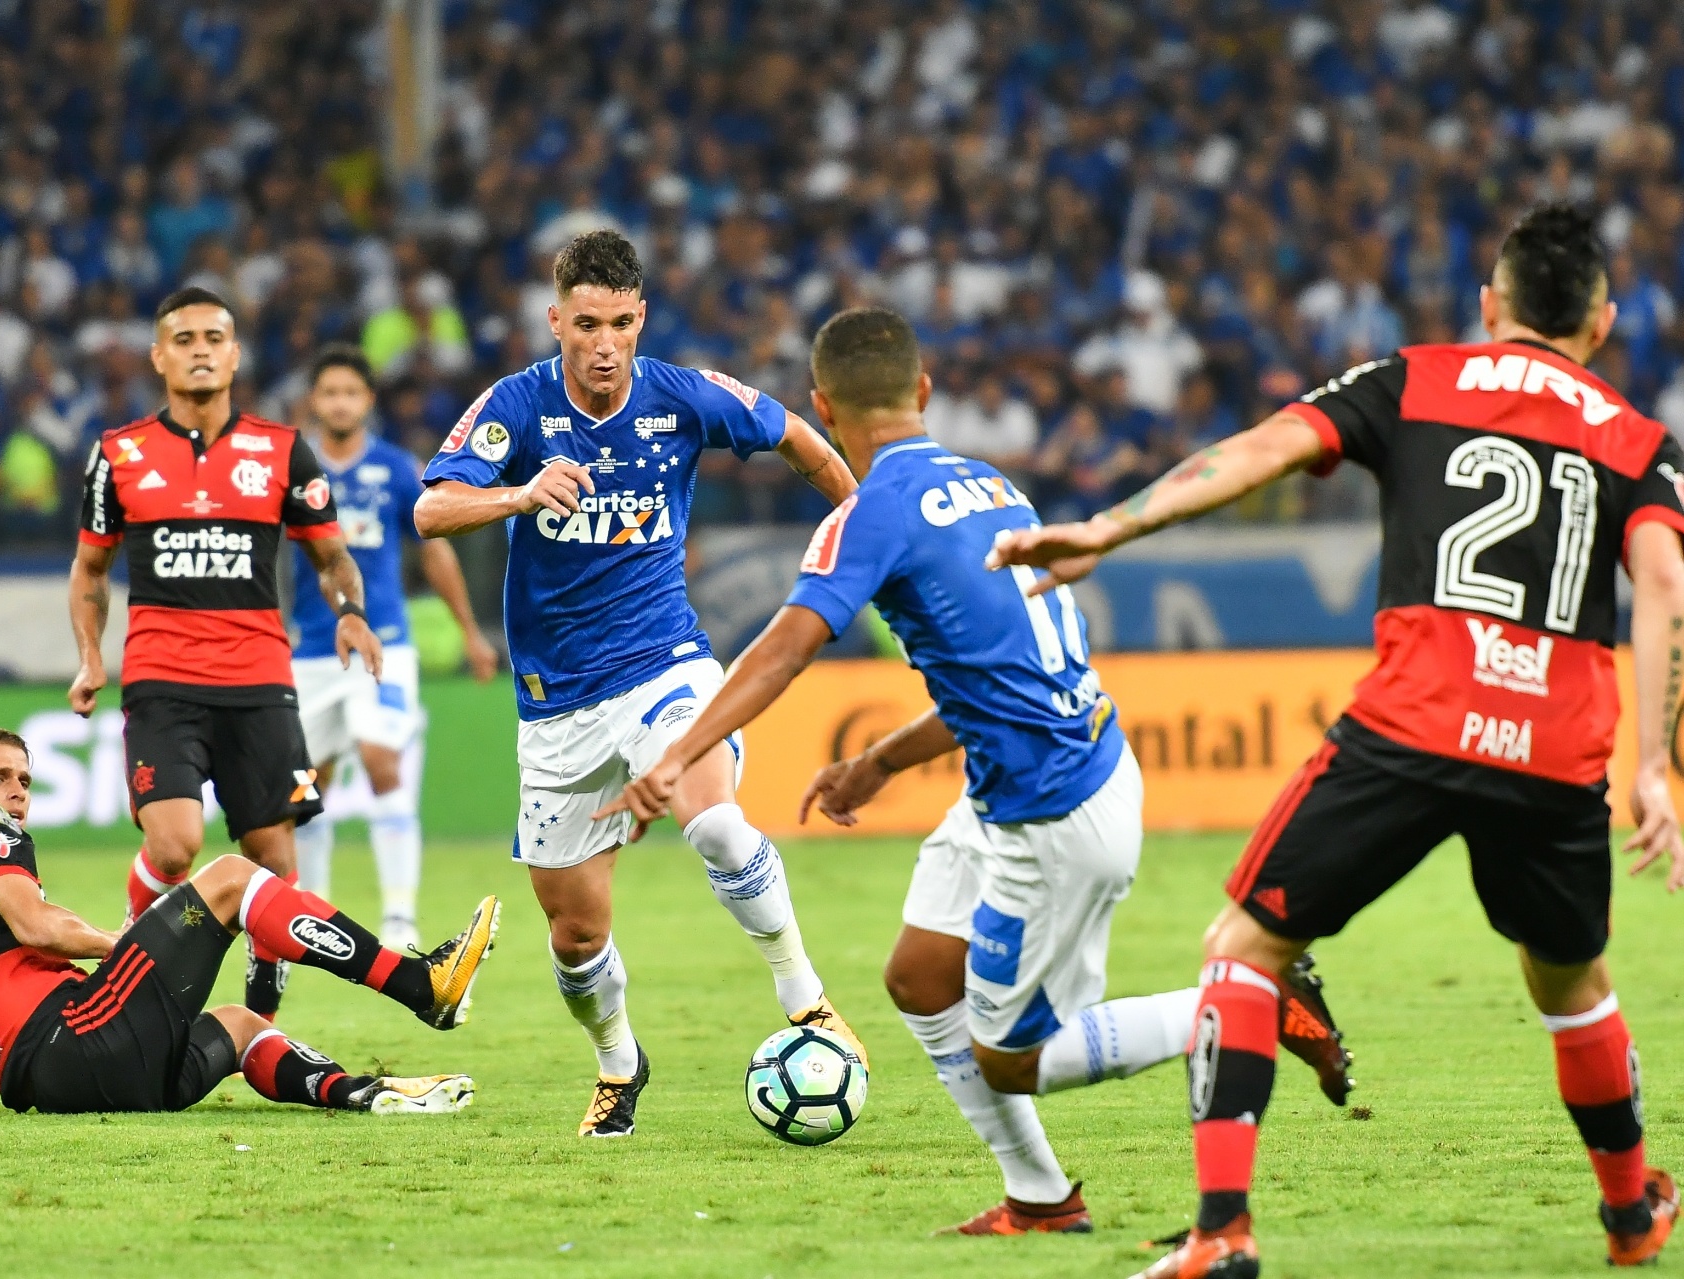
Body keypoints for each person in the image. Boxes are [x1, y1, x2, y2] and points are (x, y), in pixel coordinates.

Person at [988, 202, 1684, 1275]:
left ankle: (1222, 1232)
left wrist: (1111, 526)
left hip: (1417, 719)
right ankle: (1633, 1212)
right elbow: (1666, 584)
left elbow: (1260, 451)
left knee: (1245, 950)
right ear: (1602, 322)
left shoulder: (1416, 378)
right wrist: (1654, 763)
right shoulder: (1641, 442)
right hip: (1556, 747)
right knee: (1571, 982)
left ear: (1489, 306)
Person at [598, 307, 1347, 1235]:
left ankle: (1251, 1001)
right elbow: (990, 677)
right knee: (918, 975)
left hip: (1053, 809)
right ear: (923, 391)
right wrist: (877, 760)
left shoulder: (867, 516)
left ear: (823, 407)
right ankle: (1040, 1197)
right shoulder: (989, 484)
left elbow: (783, 651)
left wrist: (675, 755)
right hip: (1032, 778)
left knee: (1015, 1057)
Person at [414, 229, 866, 1137]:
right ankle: (620, 1065)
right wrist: (515, 494)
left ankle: (806, 997)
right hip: (555, 710)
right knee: (576, 939)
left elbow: (799, 440)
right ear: (556, 322)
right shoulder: (515, 409)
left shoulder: (684, 395)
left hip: (667, 666)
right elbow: (430, 508)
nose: (606, 343)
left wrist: (864, 532)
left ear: (642, 318)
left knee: (716, 819)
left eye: (622, 322)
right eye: (587, 324)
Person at [0, 728, 499, 1116]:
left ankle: (366, 1094)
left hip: (62, 1085)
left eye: (24, 778)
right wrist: (125, 946)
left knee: (241, 1025)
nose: (16, 793)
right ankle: (421, 983)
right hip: (78, 1039)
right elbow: (35, 925)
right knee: (230, 879)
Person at [68, 285, 384, 1024]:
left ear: (236, 354)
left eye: (215, 336)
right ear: (158, 356)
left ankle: (257, 1025)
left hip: (259, 679)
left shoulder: (281, 449)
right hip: (161, 679)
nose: (201, 348)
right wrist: (90, 656)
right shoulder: (120, 452)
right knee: (175, 846)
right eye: (184, 338)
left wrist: (352, 614)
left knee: (275, 865)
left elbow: (333, 557)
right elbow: (89, 570)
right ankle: (127, 961)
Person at [290, 343, 498, 949]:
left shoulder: (397, 467)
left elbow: (433, 547)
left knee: (383, 763)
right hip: (311, 652)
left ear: (368, 401)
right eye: (329, 392)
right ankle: (312, 914)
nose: (340, 402)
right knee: (305, 786)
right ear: (313, 401)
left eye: (350, 392)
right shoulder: (296, 469)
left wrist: (469, 631)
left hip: (386, 646)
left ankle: (400, 915)